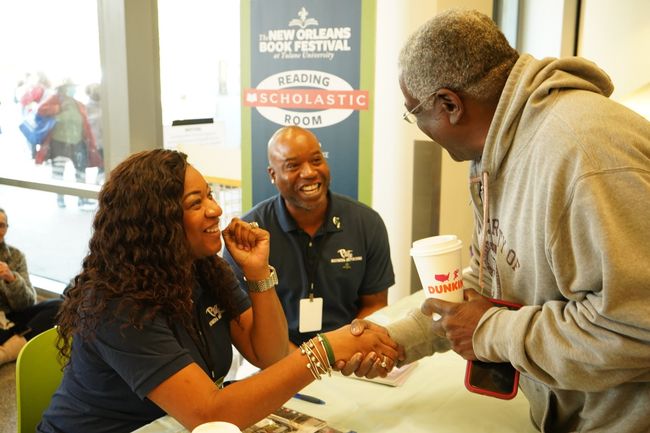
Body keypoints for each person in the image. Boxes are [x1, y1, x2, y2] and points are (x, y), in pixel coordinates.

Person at [345, 9, 650, 433]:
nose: (418, 126)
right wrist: (398, 339)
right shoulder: (498, 152)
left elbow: (636, 327)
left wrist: (492, 331)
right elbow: (494, 282)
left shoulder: (584, 155)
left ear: (449, 104)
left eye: (414, 112)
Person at [38, 149, 399, 433]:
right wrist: (326, 349)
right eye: (196, 203)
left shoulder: (205, 269)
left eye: (209, 196)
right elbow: (209, 412)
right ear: (156, 222)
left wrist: (258, 273)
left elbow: (269, 354)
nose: (215, 209)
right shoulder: (117, 303)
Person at [223, 126, 395, 348]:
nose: (309, 172)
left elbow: (375, 304)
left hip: (349, 351)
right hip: (277, 356)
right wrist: (302, 364)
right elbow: (245, 322)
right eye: (293, 165)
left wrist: (347, 348)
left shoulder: (367, 223)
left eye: (316, 160)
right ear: (273, 175)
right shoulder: (248, 238)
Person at [0, 208, 62, 366]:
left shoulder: (16, 256)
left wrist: (12, 279)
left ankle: (5, 351)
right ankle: (13, 342)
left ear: (7, 228)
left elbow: (27, 303)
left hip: (11, 317)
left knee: (60, 305)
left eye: (2, 225)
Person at [35, 78, 102, 208]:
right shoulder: (55, 99)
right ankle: (60, 199)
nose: (74, 89)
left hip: (78, 143)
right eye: (71, 87)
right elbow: (41, 110)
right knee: (58, 172)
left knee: (81, 172)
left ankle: (82, 199)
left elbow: (86, 125)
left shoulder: (77, 103)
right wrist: (58, 108)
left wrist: (90, 142)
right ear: (64, 88)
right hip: (59, 142)